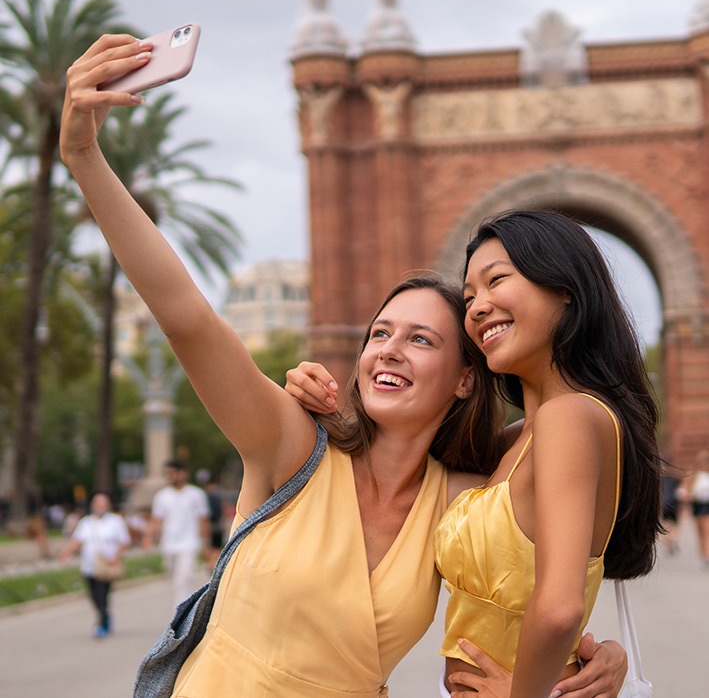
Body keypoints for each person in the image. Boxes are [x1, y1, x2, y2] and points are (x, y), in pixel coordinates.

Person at [60, 34, 625, 697]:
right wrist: (82, 155)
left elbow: (542, 570)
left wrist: (598, 657)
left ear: (465, 377)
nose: (387, 347)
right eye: (379, 332)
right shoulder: (291, 442)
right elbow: (187, 316)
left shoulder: (464, 498)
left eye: (420, 340)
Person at [287, 211, 661, 698]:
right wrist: (326, 409)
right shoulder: (515, 441)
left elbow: (560, 609)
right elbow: (405, 457)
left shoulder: (570, 417)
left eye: (497, 280)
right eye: (469, 299)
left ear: (565, 288)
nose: (479, 307)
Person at [58, 491, 130, 638]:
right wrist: (66, 552)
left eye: (103, 503)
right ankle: (104, 616)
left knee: (102, 594)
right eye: (97, 503)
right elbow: (77, 541)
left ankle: (101, 624)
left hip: (106, 566)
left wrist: (116, 556)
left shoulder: (116, 521)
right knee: (94, 596)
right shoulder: (86, 522)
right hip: (89, 566)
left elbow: (124, 542)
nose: (100, 506)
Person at [143, 460, 211, 607]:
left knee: (183, 579)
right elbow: (156, 520)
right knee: (175, 577)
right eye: (168, 474)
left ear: (183, 474)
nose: (170, 477)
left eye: (173, 473)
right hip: (169, 544)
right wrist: (149, 537)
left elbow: (203, 520)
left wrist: (205, 543)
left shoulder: (196, 494)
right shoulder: (162, 496)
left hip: (189, 543)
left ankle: (180, 614)